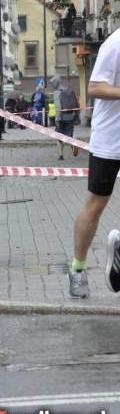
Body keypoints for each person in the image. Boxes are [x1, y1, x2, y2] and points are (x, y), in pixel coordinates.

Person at [70, 26, 120, 299]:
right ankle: (78, 270)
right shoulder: (116, 43)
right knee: (96, 205)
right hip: (111, 138)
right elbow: (94, 87)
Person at [52, 75, 80, 160]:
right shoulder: (67, 90)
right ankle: (72, 144)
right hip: (70, 116)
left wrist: (57, 119)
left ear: (55, 83)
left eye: (52, 84)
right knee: (69, 135)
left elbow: (58, 107)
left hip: (62, 118)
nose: (52, 85)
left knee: (59, 136)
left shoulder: (56, 93)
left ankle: (61, 155)